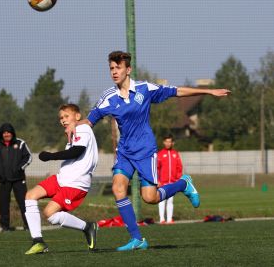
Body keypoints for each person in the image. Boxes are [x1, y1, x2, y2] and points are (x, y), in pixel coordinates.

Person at [65, 51, 231, 251]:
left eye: (118, 68)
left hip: (145, 151)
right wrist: (75, 124)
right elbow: (90, 120)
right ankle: (137, 239)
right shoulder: (108, 97)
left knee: (150, 198)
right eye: (111, 68)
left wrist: (209, 92)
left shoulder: (145, 89)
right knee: (118, 188)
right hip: (125, 151)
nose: (114, 72)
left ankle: (183, 184)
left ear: (128, 69)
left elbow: (176, 91)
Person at [24, 104, 99, 255]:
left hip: (75, 184)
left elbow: (77, 151)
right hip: (61, 179)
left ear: (77, 116)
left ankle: (87, 227)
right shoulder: (73, 132)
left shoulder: (82, 128)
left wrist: (51, 156)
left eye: (66, 116)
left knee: (50, 214)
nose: (63, 120)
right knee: (30, 196)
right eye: (61, 118)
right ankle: (38, 241)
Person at [0, 123, 32, 232]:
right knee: (3, 203)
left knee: (24, 203)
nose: (7, 134)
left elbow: (28, 157)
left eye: (9, 132)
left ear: (12, 133)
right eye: (4, 132)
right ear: (2, 134)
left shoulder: (20, 143)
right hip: (4, 180)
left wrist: (20, 169)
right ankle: (5, 227)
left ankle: (28, 226)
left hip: (19, 179)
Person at [157, 134, 183, 224]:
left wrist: (178, 180)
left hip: (172, 182)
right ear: (164, 142)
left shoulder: (175, 154)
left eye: (170, 142)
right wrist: (158, 180)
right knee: (162, 200)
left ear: (172, 143)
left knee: (170, 200)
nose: (168, 143)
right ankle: (162, 219)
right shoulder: (160, 154)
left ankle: (169, 219)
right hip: (162, 183)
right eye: (166, 141)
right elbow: (157, 168)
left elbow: (179, 167)